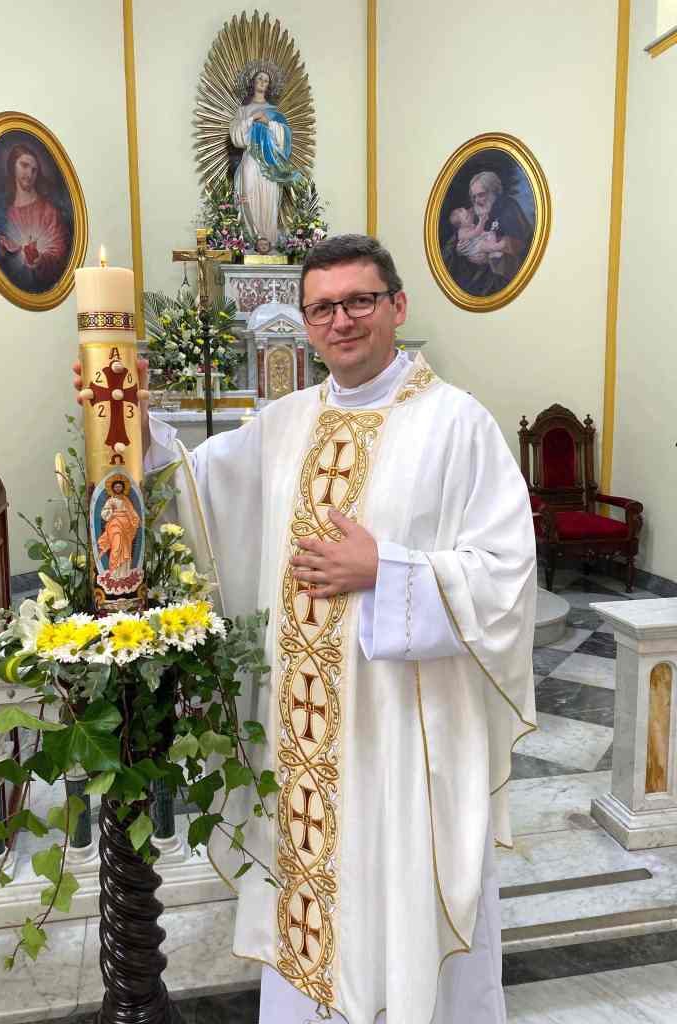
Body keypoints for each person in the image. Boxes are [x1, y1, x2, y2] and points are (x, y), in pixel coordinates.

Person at [74, 234, 536, 1024]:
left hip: (400, 741)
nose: (341, 321)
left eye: (359, 301)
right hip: (303, 740)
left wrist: (387, 570)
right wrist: (134, 425)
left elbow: (507, 574)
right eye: (322, 308)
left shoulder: (457, 425)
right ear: (306, 323)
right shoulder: (284, 421)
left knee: (398, 904)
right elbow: (200, 496)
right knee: (308, 908)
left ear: (397, 306)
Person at [229, 65, 301, 250]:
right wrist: (252, 119)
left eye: (266, 80)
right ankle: (250, 239)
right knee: (248, 193)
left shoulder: (275, 112)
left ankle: (268, 240)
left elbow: (284, 138)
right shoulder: (243, 111)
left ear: (269, 86)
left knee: (269, 197)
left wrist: (268, 122)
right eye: (259, 78)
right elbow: (236, 137)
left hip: (269, 162)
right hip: (251, 158)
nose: (262, 82)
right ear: (253, 82)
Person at [0, 143, 70, 292]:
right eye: (24, 166)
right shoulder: (3, 213)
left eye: (34, 170)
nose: (29, 174)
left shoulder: (48, 211)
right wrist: (2, 250)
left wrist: (40, 260)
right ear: (13, 167)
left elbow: (60, 256)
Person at [443, 170, 533, 296]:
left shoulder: (509, 207)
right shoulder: (471, 213)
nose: (477, 201)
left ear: (493, 192)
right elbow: (452, 245)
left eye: (481, 195)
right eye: (473, 197)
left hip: (502, 280)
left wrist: (491, 255)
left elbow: (524, 243)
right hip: (473, 280)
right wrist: (458, 250)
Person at [97, 478, 140, 583]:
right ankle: (114, 572)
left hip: (126, 526)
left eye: (119, 486)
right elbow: (104, 514)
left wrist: (136, 519)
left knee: (126, 548)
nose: (118, 488)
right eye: (116, 486)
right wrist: (111, 510)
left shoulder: (126, 500)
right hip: (115, 525)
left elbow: (132, 512)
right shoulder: (110, 500)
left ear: (123, 488)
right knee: (116, 547)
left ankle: (124, 573)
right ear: (113, 488)